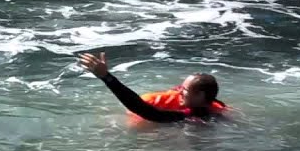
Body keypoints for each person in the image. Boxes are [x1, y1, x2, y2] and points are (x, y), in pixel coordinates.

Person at [77, 51, 227, 123]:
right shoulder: (211, 102)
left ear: (200, 96)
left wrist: (107, 78)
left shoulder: (198, 115)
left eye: (185, 90)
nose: (179, 91)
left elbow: (148, 112)